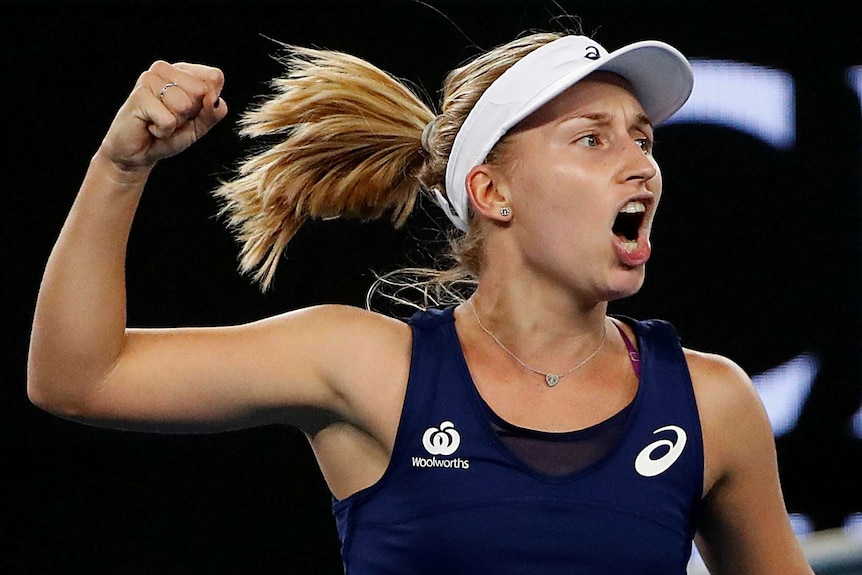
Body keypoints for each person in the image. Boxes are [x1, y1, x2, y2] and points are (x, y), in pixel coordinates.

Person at [27, 25, 813, 574]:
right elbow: (77, 376)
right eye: (592, 137)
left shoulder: (712, 402)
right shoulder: (368, 367)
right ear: (493, 191)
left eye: (643, 137)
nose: (642, 164)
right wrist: (119, 169)